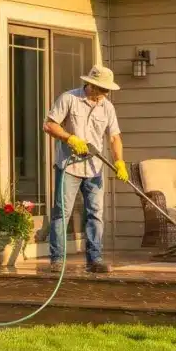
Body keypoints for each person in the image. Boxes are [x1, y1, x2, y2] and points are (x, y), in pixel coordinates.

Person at [41, 64, 129, 273]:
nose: (104, 94)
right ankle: (57, 260)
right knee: (62, 213)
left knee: (95, 214)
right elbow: (49, 125)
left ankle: (94, 260)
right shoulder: (69, 99)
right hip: (69, 167)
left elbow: (114, 137)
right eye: (102, 89)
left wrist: (119, 162)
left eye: (107, 90)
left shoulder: (107, 107)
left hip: (94, 168)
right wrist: (70, 138)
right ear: (90, 84)